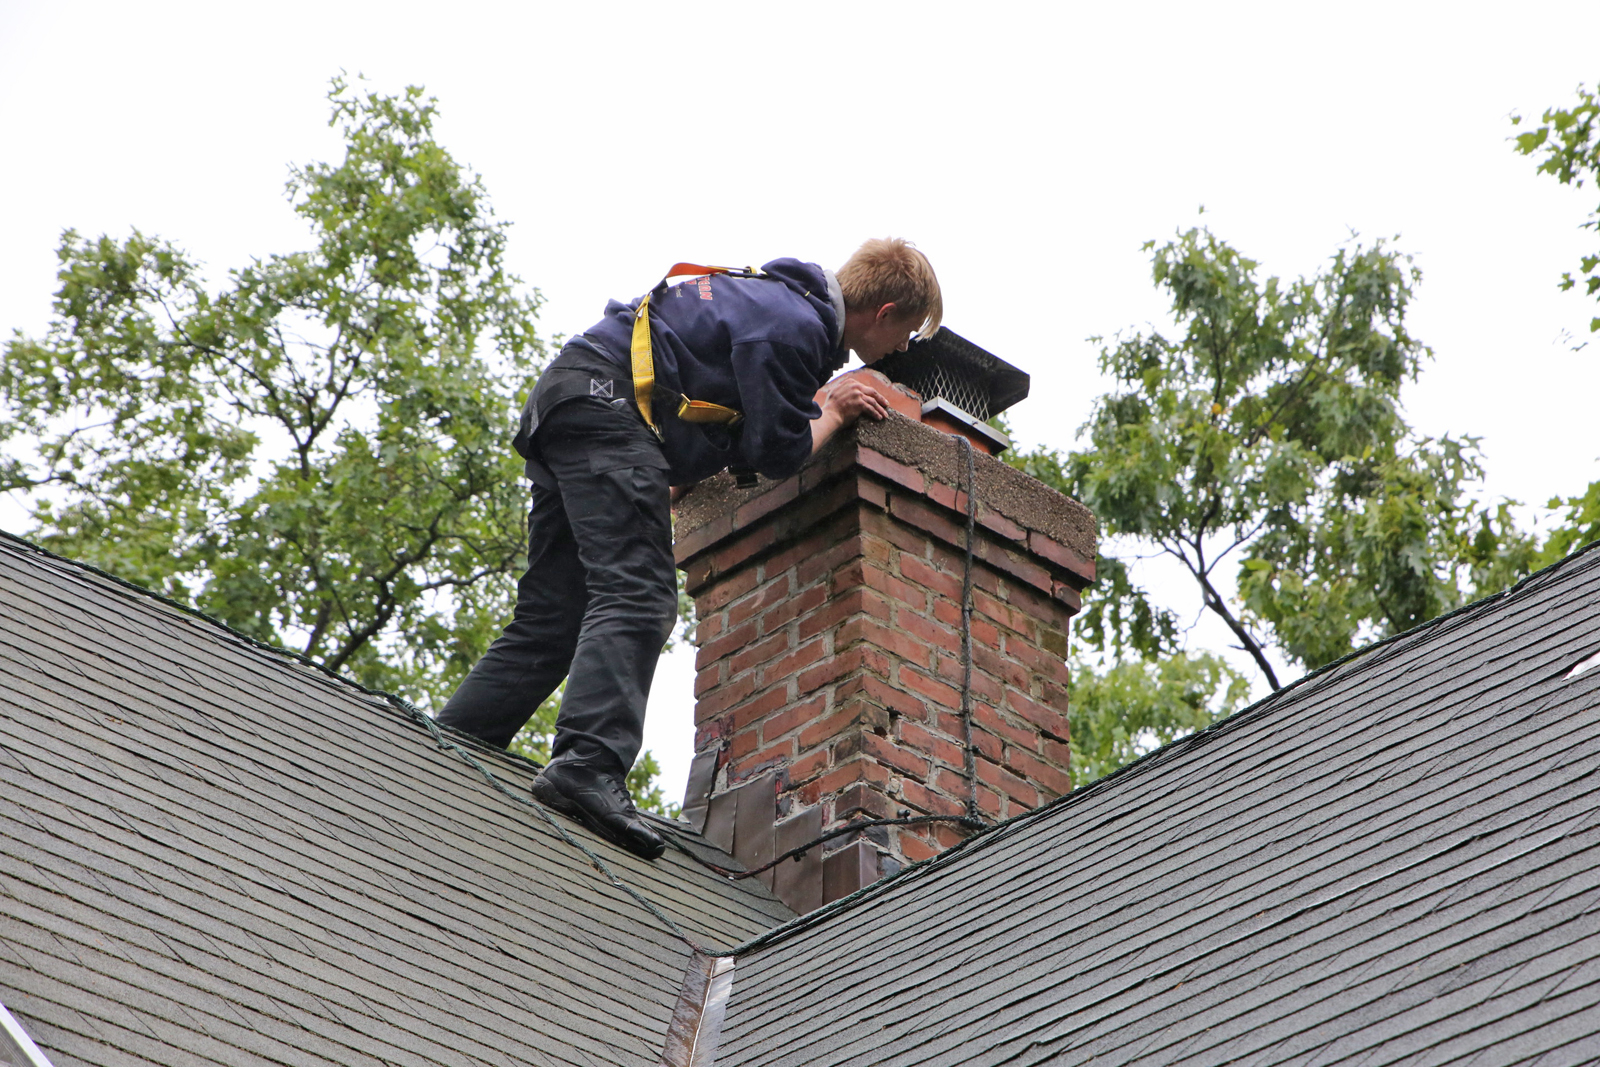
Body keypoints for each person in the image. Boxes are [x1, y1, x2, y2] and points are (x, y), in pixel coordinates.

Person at [437, 238, 943, 858]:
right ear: (885, 311)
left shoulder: (775, 300)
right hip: (607, 406)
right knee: (640, 595)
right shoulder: (798, 326)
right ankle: (588, 763)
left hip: (573, 398)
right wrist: (834, 408)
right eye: (908, 334)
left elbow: (707, 389)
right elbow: (780, 451)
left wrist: (674, 470)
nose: (902, 350)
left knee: (555, 617)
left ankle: (449, 749)